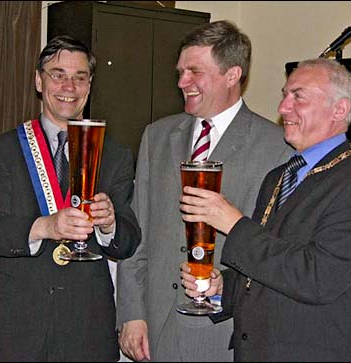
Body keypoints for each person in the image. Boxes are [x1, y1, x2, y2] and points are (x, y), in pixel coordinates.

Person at [179, 58, 351, 362]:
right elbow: (269, 265)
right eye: (284, 95)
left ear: (339, 109)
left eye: (298, 97)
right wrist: (222, 286)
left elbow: (317, 278)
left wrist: (234, 224)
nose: (282, 108)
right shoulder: (279, 176)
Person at [117, 20, 292, 362]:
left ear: (232, 75)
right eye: (180, 71)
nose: (182, 82)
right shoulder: (156, 136)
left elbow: (274, 251)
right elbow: (138, 234)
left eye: (195, 71)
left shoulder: (277, 147)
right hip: (155, 326)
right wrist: (131, 313)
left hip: (224, 334)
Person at [0, 35, 141, 362]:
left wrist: (110, 223)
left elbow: (129, 241)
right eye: (57, 74)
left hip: (85, 329)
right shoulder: (3, 150)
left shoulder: (115, 155)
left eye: (79, 77)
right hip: (10, 327)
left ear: (89, 85)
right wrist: (43, 227)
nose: (68, 86)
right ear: (38, 80)